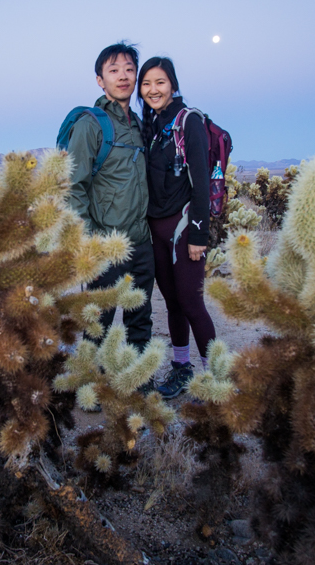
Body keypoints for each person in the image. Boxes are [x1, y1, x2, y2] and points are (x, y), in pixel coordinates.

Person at [66, 43, 155, 354]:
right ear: (100, 80)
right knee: (98, 320)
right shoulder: (91, 124)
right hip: (103, 241)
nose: (123, 76)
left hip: (141, 241)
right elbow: (74, 185)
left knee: (140, 317)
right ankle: (90, 381)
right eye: (114, 70)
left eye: (130, 69)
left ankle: (138, 378)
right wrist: (88, 241)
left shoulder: (141, 126)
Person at [138, 56, 217, 399]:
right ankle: (182, 368)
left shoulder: (189, 122)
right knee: (171, 302)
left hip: (184, 227)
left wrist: (199, 236)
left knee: (191, 302)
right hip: (156, 229)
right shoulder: (153, 126)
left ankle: (216, 377)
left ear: (173, 85)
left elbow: (200, 182)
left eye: (160, 82)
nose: (153, 90)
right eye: (147, 84)